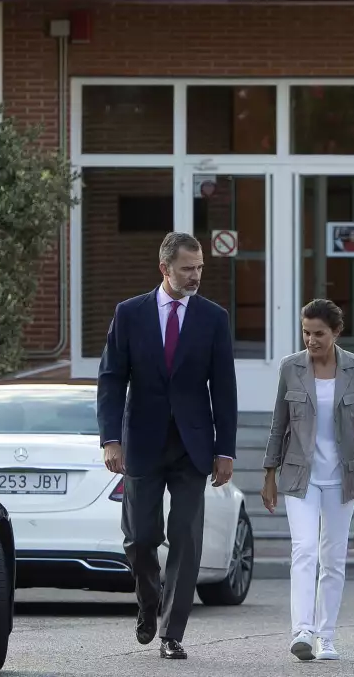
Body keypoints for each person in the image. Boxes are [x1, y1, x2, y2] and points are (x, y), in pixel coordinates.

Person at [96, 231, 238, 661]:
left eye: (199, 269)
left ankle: (172, 632)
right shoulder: (130, 314)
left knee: (186, 538)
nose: (195, 276)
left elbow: (225, 388)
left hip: (193, 447)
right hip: (141, 443)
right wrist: (110, 440)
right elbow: (111, 379)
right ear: (165, 269)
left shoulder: (214, 318)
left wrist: (225, 449)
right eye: (187, 269)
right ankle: (147, 603)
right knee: (140, 538)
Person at [260, 299, 354, 662]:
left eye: (319, 333)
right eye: (306, 332)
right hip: (300, 477)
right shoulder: (291, 368)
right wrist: (269, 475)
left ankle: (326, 636)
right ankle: (302, 631)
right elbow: (278, 426)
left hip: (344, 478)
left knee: (333, 558)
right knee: (304, 550)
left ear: (336, 332)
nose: (311, 340)